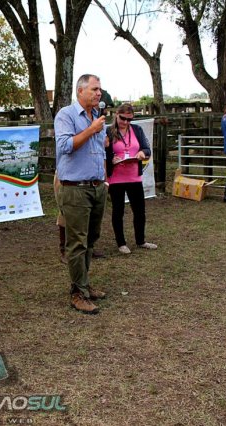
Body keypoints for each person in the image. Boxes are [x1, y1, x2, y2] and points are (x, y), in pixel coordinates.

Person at [54, 74, 107, 314]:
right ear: (80, 91)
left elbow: (99, 151)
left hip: (97, 186)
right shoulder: (66, 115)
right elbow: (65, 146)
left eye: (99, 89)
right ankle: (77, 293)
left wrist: (104, 179)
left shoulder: (97, 116)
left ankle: (84, 284)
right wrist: (91, 130)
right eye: (94, 89)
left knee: (91, 238)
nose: (99, 93)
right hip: (75, 188)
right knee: (77, 242)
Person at [104, 103, 157, 254]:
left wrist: (142, 153)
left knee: (139, 211)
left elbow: (146, 148)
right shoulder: (108, 131)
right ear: (116, 115)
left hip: (134, 177)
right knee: (118, 211)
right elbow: (103, 152)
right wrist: (111, 158)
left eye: (129, 119)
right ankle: (121, 243)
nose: (126, 122)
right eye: (123, 118)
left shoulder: (137, 130)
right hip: (116, 178)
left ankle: (141, 240)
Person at [53, 171, 105, 264]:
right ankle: (65, 250)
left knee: (88, 214)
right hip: (68, 180)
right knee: (65, 215)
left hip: (89, 181)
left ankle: (87, 247)